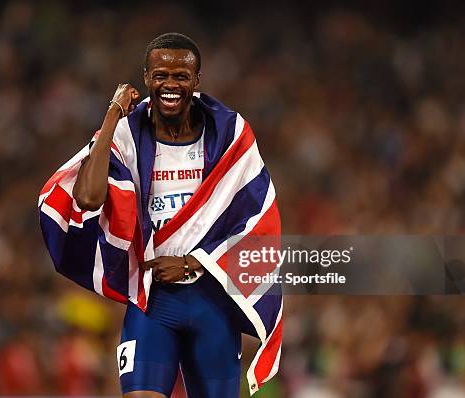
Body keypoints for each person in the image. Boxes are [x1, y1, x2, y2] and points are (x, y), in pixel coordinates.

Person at [39, 32, 283, 398]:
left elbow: (256, 223)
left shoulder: (229, 134)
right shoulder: (127, 132)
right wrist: (112, 115)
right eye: (160, 75)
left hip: (211, 300)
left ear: (196, 81)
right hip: (152, 300)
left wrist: (191, 264)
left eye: (181, 76)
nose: (170, 84)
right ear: (146, 77)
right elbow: (88, 197)